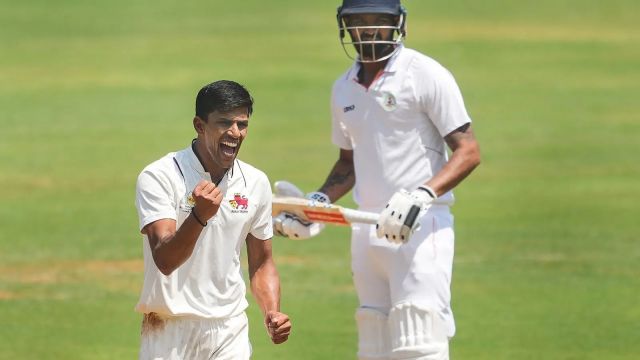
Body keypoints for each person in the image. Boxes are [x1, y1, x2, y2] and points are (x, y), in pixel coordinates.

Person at [273, 1, 480, 359]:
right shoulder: (344, 88)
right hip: (366, 229)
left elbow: (468, 151)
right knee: (374, 344)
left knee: (420, 339)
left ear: (397, 24)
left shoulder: (424, 73)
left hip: (420, 227)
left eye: (379, 21)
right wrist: (316, 205)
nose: (369, 30)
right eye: (359, 22)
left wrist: (421, 195)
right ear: (345, 27)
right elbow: (348, 163)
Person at [134, 80, 291, 360]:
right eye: (224, 123)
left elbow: (262, 262)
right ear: (199, 125)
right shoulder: (160, 176)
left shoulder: (255, 182)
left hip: (229, 328)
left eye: (242, 124)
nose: (235, 133)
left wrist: (272, 310)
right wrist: (198, 216)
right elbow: (165, 260)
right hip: (169, 329)